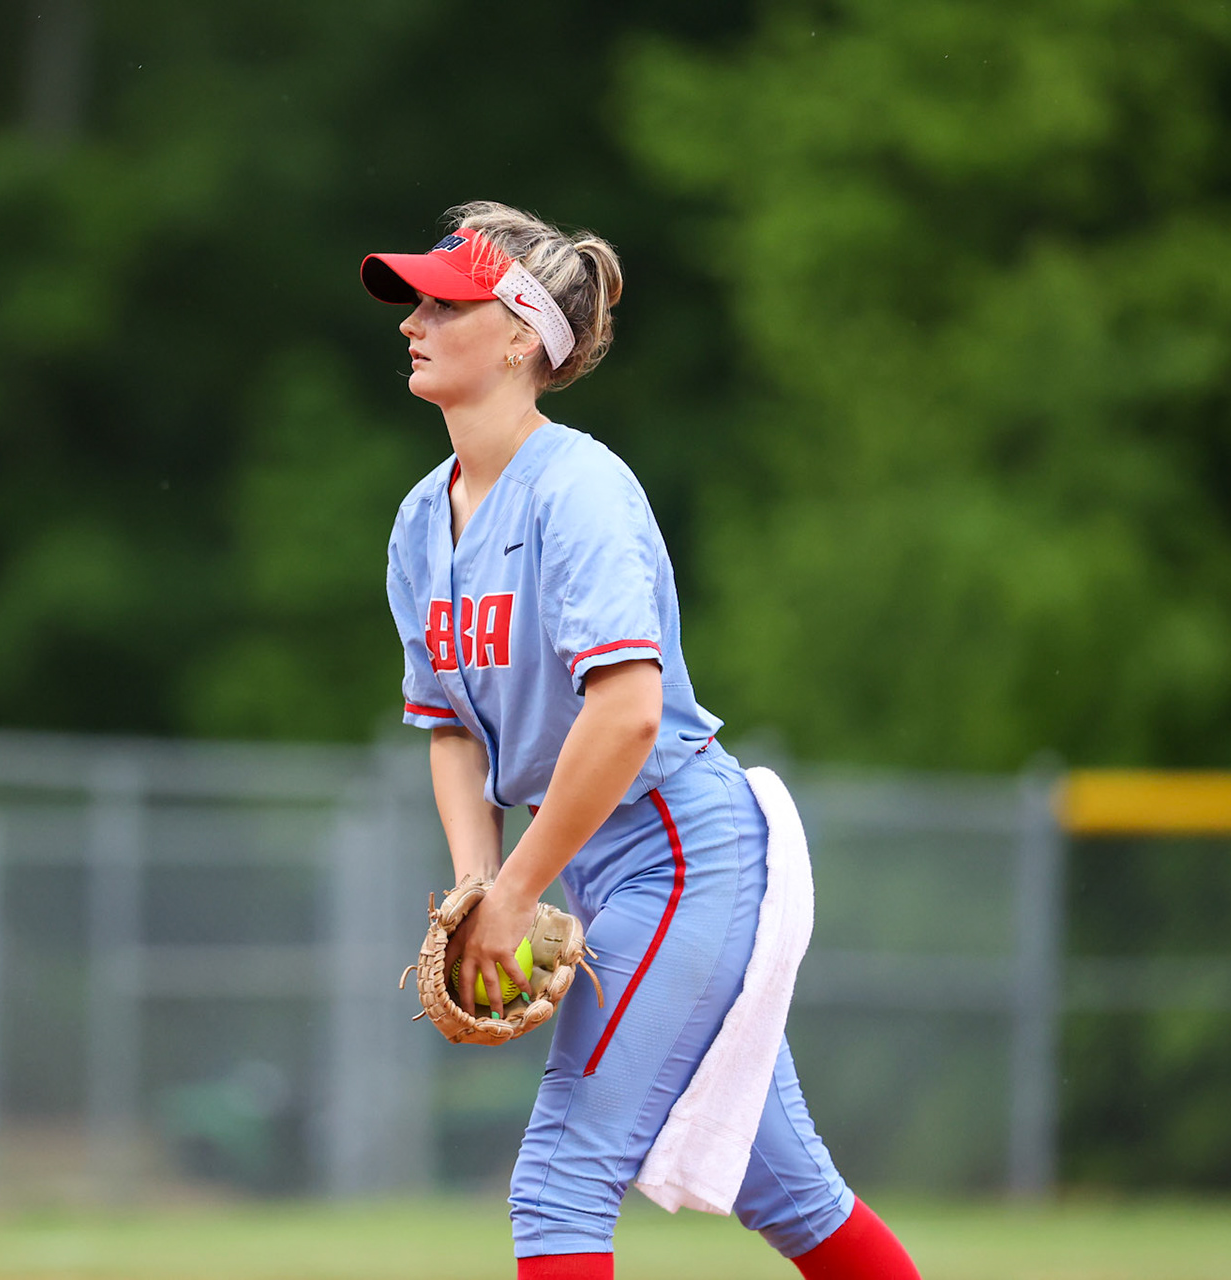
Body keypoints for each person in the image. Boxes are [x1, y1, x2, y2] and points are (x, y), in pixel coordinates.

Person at [365, 202, 921, 1280]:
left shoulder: (581, 489)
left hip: (682, 848)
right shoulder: (420, 522)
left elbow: (624, 714)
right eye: (415, 300)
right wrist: (480, 881)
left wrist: (522, 888)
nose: (413, 320)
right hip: (593, 856)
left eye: (445, 299)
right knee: (789, 1187)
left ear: (522, 333)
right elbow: (448, 731)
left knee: (562, 1174)